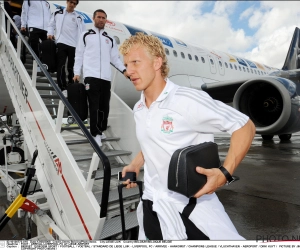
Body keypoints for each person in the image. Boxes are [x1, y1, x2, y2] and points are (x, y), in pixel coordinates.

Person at [119, 33, 256, 240]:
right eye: (126, 65)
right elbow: (153, 140)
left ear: (157, 62)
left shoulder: (187, 100)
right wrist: (135, 164)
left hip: (191, 208)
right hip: (152, 204)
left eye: (135, 62)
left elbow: (245, 126)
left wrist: (224, 174)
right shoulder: (139, 107)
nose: (128, 71)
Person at [73, 9, 128, 147]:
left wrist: (124, 71)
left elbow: (115, 59)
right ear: (94, 18)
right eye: (99, 17)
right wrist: (76, 72)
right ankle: (95, 133)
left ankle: (101, 129)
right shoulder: (85, 35)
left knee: (104, 106)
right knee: (94, 105)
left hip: (105, 78)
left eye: (104, 18)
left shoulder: (109, 39)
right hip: (91, 77)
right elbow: (79, 55)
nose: (101, 19)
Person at [47, 0, 85, 97]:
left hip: (73, 45)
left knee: (71, 67)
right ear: (67, 2)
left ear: (76, 5)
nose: (72, 5)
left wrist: (82, 46)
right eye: (71, 2)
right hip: (61, 42)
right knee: (61, 65)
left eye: (74, 3)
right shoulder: (58, 13)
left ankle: (71, 86)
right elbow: (51, 24)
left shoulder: (78, 17)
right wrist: (50, 33)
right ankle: (62, 87)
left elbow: (82, 32)